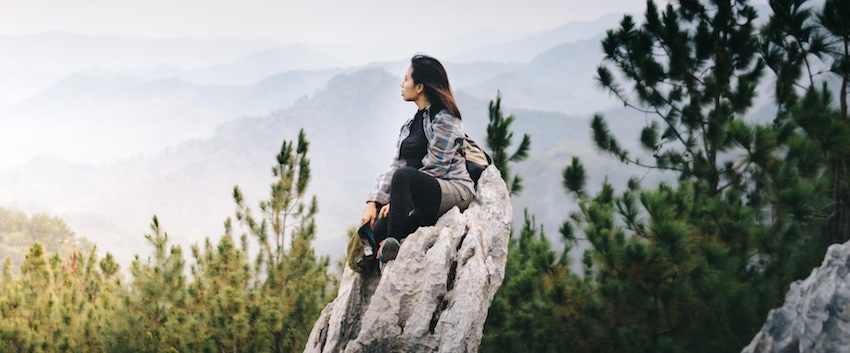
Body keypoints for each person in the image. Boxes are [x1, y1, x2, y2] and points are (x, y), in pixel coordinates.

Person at [358, 54, 475, 268]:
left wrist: (399, 200)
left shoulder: (445, 119)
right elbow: (396, 166)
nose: (402, 84)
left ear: (420, 86)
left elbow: (436, 167)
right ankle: (374, 256)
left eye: (406, 79)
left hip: (453, 188)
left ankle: (391, 247)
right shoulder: (410, 125)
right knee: (377, 227)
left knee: (403, 180)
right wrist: (373, 203)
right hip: (421, 195)